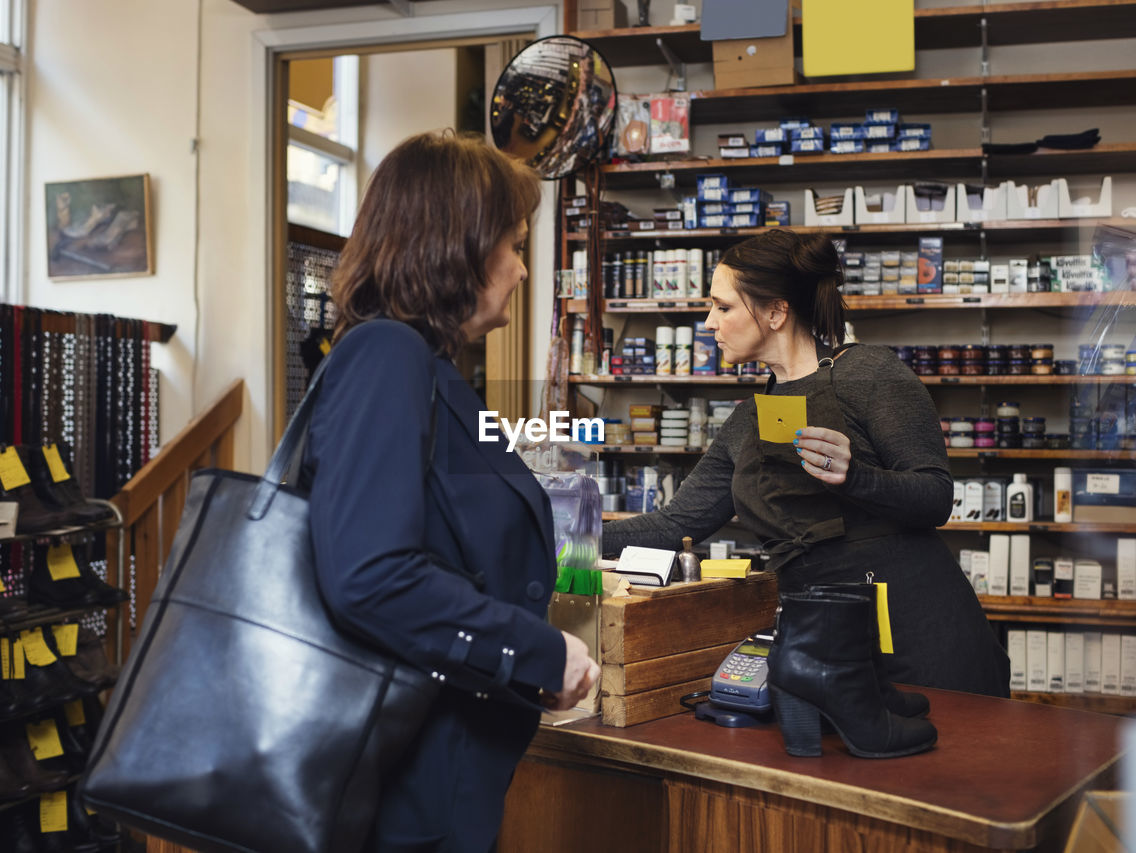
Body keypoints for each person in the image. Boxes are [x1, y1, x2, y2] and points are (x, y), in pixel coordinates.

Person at [303, 131, 599, 852]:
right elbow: (370, 575)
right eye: (514, 245)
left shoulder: (427, 370)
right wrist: (540, 651)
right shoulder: (386, 355)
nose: (523, 270)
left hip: (436, 776)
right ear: (458, 247)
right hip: (404, 788)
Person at [602, 229, 1009, 701]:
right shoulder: (746, 419)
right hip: (820, 630)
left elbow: (936, 496)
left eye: (723, 307)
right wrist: (562, 529)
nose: (709, 322)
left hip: (917, 627)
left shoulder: (870, 374)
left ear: (776, 312)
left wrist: (857, 477)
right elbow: (675, 524)